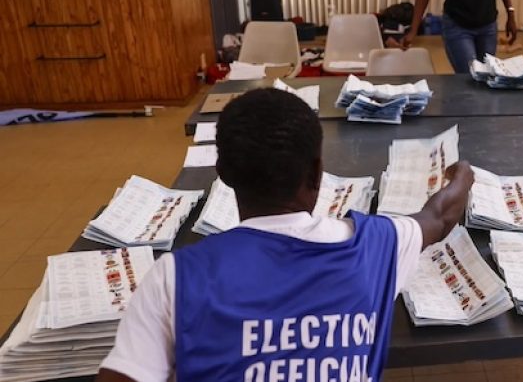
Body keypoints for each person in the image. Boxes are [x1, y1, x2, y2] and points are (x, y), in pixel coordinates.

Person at [96, 88, 474, 382]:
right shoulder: (377, 246)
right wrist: (463, 175)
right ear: (317, 173)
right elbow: (440, 217)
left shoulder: (176, 276)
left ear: (223, 172)